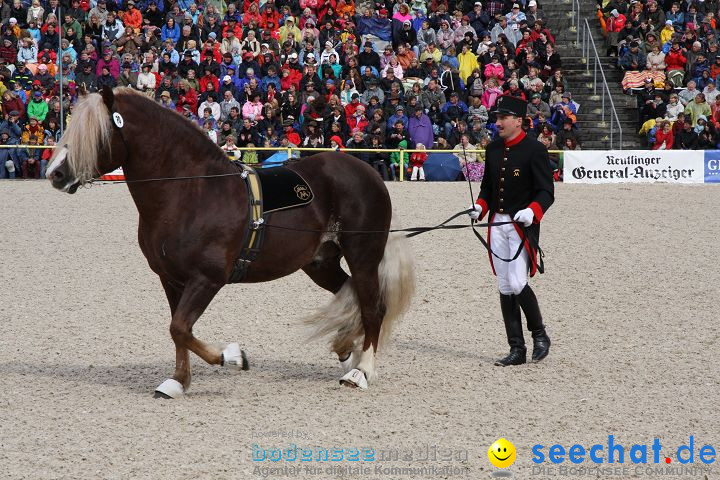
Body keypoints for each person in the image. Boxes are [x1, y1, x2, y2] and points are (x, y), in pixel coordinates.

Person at [468, 96, 554, 367]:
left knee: (517, 283)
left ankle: (539, 334)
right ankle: (516, 349)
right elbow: (487, 189)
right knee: (505, 286)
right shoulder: (493, 149)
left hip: (521, 225)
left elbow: (546, 192)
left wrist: (532, 211)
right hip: (497, 224)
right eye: (497, 118)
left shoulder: (535, 150)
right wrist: (479, 207)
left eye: (503, 118)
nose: (498, 123)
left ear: (518, 121)